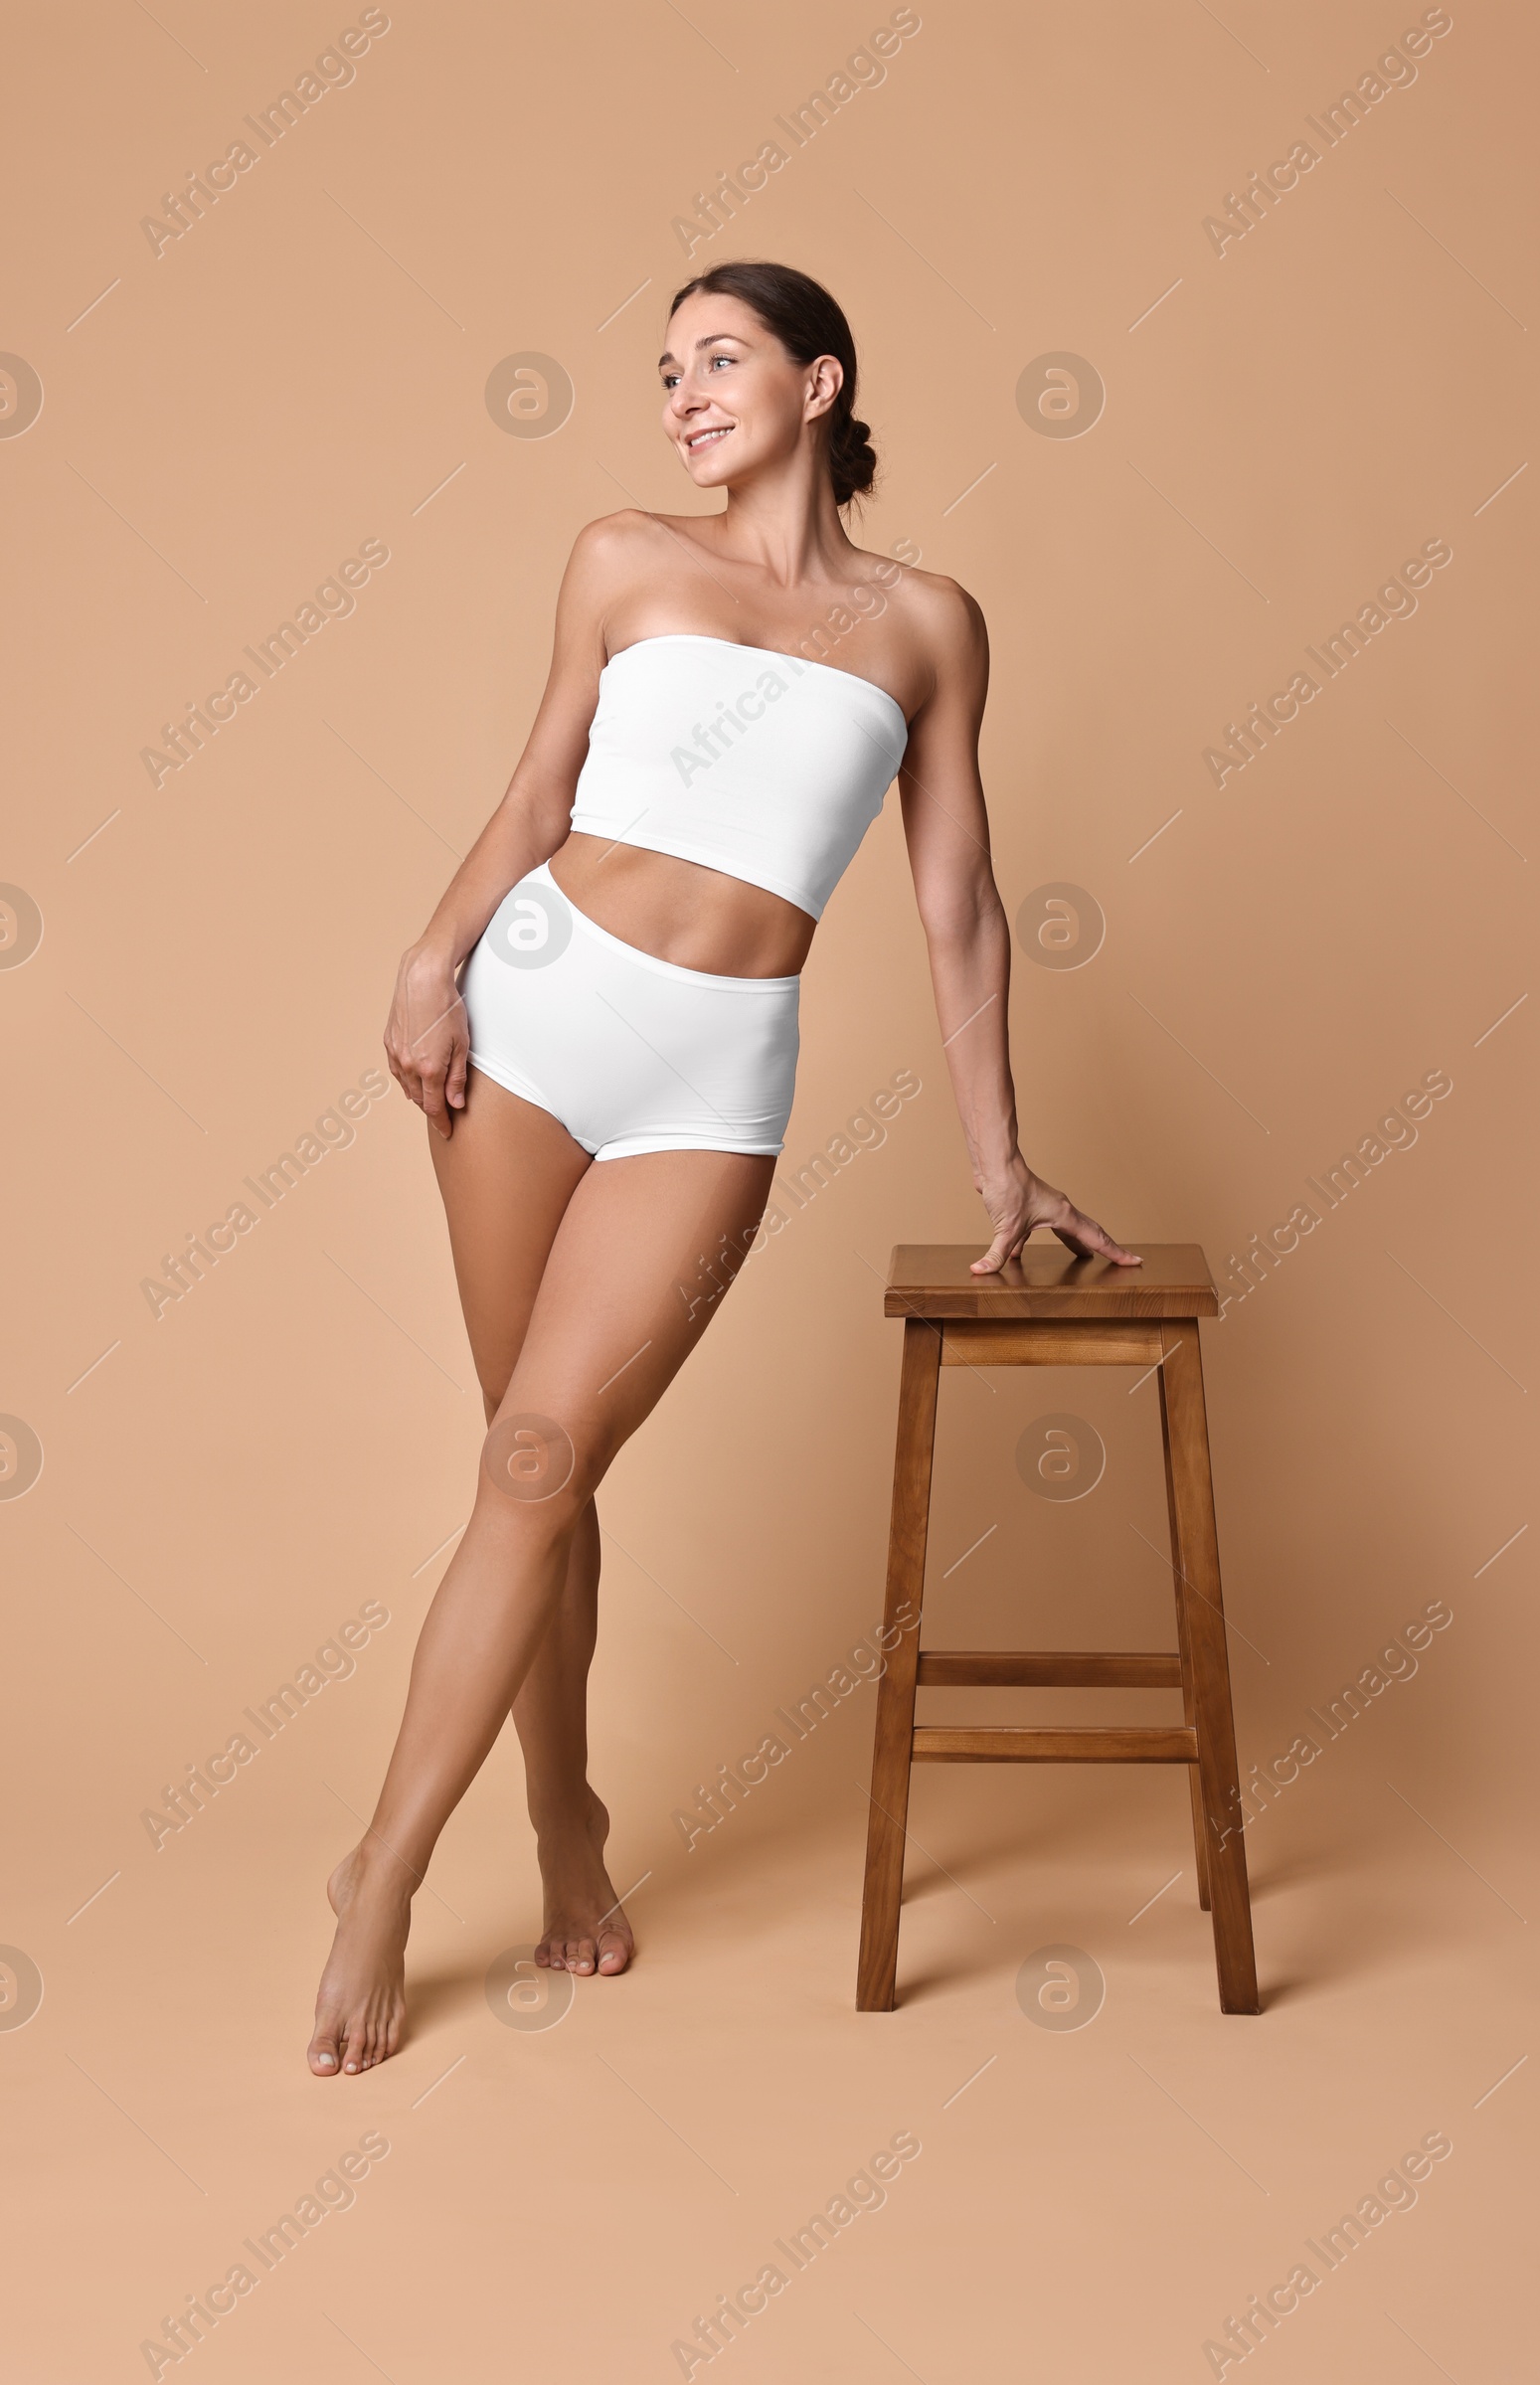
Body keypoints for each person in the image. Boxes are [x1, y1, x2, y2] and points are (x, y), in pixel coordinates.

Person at [308, 258, 1139, 2076]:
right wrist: (428, 959)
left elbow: (957, 904)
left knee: (541, 1459)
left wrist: (1005, 1164)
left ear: (820, 380)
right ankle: (547, 1830)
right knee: (532, 1467)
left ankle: (388, 1858)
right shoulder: (622, 556)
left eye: (721, 360)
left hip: (712, 1078)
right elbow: (542, 792)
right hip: (530, 1024)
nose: (684, 393)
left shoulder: (929, 623)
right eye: (667, 370)